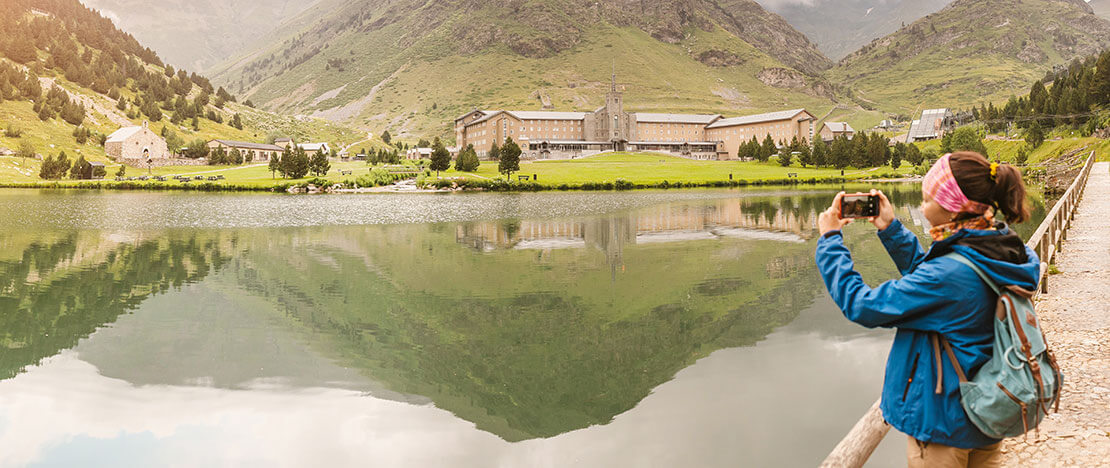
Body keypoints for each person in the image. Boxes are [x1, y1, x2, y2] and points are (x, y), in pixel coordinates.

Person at [814, 152, 1041, 467]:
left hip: (944, 426)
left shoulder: (950, 273)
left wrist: (829, 240)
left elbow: (861, 305)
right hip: (984, 414)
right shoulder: (998, 247)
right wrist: (890, 228)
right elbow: (938, 280)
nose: (922, 207)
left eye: (927, 199)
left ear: (954, 207)